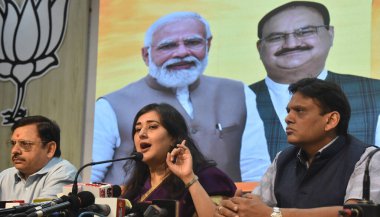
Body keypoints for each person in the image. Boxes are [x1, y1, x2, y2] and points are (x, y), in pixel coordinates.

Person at [92, 11, 270, 183]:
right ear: (146, 55)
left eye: (193, 42)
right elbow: (92, 175)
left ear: (208, 45)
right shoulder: (110, 105)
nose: (182, 53)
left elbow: (255, 170)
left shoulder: (238, 92)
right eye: (168, 46)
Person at [215, 78, 380, 217]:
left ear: (331, 120)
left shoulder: (367, 158)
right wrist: (237, 208)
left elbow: (355, 213)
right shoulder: (282, 160)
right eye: (288, 111)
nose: (288, 118)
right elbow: (258, 208)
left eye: (300, 111)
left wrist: (274, 214)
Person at [249, 1, 380, 160]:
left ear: (330, 34)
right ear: (259, 48)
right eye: (276, 37)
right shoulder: (238, 99)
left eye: (305, 31)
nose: (291, 44)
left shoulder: (374, 93)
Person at [123, 103, 236, 217]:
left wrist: (189, 178)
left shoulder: (208, 177)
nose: (141, 134)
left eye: (152, 126)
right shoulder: (134, 190)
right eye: (137, 129)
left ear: (173, 137)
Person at [0, 115, 78, 203]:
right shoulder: (5, 176)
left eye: (25, 144)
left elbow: (41, 213)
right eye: (13, 143)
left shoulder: (65, 173)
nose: (14, 150)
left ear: (50, 149)